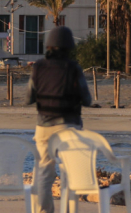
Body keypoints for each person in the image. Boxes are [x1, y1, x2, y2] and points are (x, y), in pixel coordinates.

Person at [27, 26, 93, 213]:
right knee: (70, 172)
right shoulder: (74, 68)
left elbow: (27, 98)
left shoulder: (38, 67)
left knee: (44, 173)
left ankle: (43, 211)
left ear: (48, 46)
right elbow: (87, 100)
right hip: (69, 126)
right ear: (69, 47)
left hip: (44, 127)